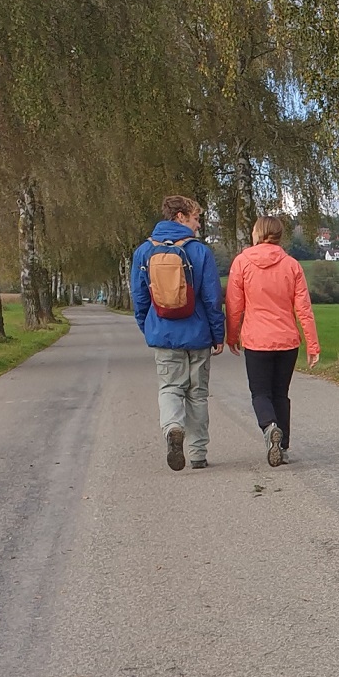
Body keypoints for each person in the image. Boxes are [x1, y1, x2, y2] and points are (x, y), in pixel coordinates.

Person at [130, 196, 225, 471]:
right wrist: (217, 334)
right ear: (181, 216)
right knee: (197, 394)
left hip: (164, 334)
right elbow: (211, 298)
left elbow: (139, 298)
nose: (198, 225)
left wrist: (147, 327)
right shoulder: (200, 252)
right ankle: (197, 454)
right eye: (196, 218)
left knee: (170, 388)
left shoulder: (143, 252)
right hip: (198, 334)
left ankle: (173, 427)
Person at [224, 214, 321, 467]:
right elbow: (304, 309)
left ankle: (269, 427)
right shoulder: (292, 265)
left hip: (257, 340)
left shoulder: (242, 263)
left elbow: (234, 305)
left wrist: (231, 336)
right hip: (287, 340)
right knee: (281, 394)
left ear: (258, 233)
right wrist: (312, 344)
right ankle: (284, 446)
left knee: (260, 393)